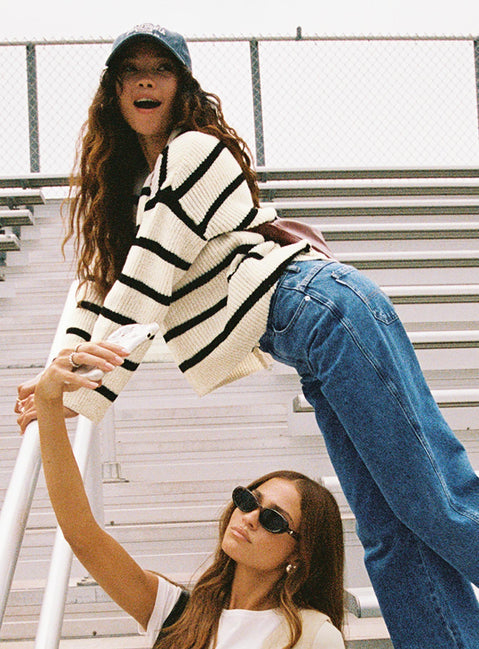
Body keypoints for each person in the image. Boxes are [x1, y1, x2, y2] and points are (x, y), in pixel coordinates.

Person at [15, 23, 479, 648]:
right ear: (114, 91)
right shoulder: (131, 192)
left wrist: (81, 391)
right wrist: (55, 379)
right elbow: (100, 287)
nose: (146, 80)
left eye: (161, 69)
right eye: (132, 71)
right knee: (388, 535)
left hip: (326, 311)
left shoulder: (193, 151)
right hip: (309, 342)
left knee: (435, 505)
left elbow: (146, 277)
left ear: (182, 87)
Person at [32, 345, 345, 649]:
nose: (250, 518)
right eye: (249, 501)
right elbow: (81, 532)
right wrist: (47, 402)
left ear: (299, 553)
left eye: (273, 519)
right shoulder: (177, 613)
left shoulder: (312, 635)